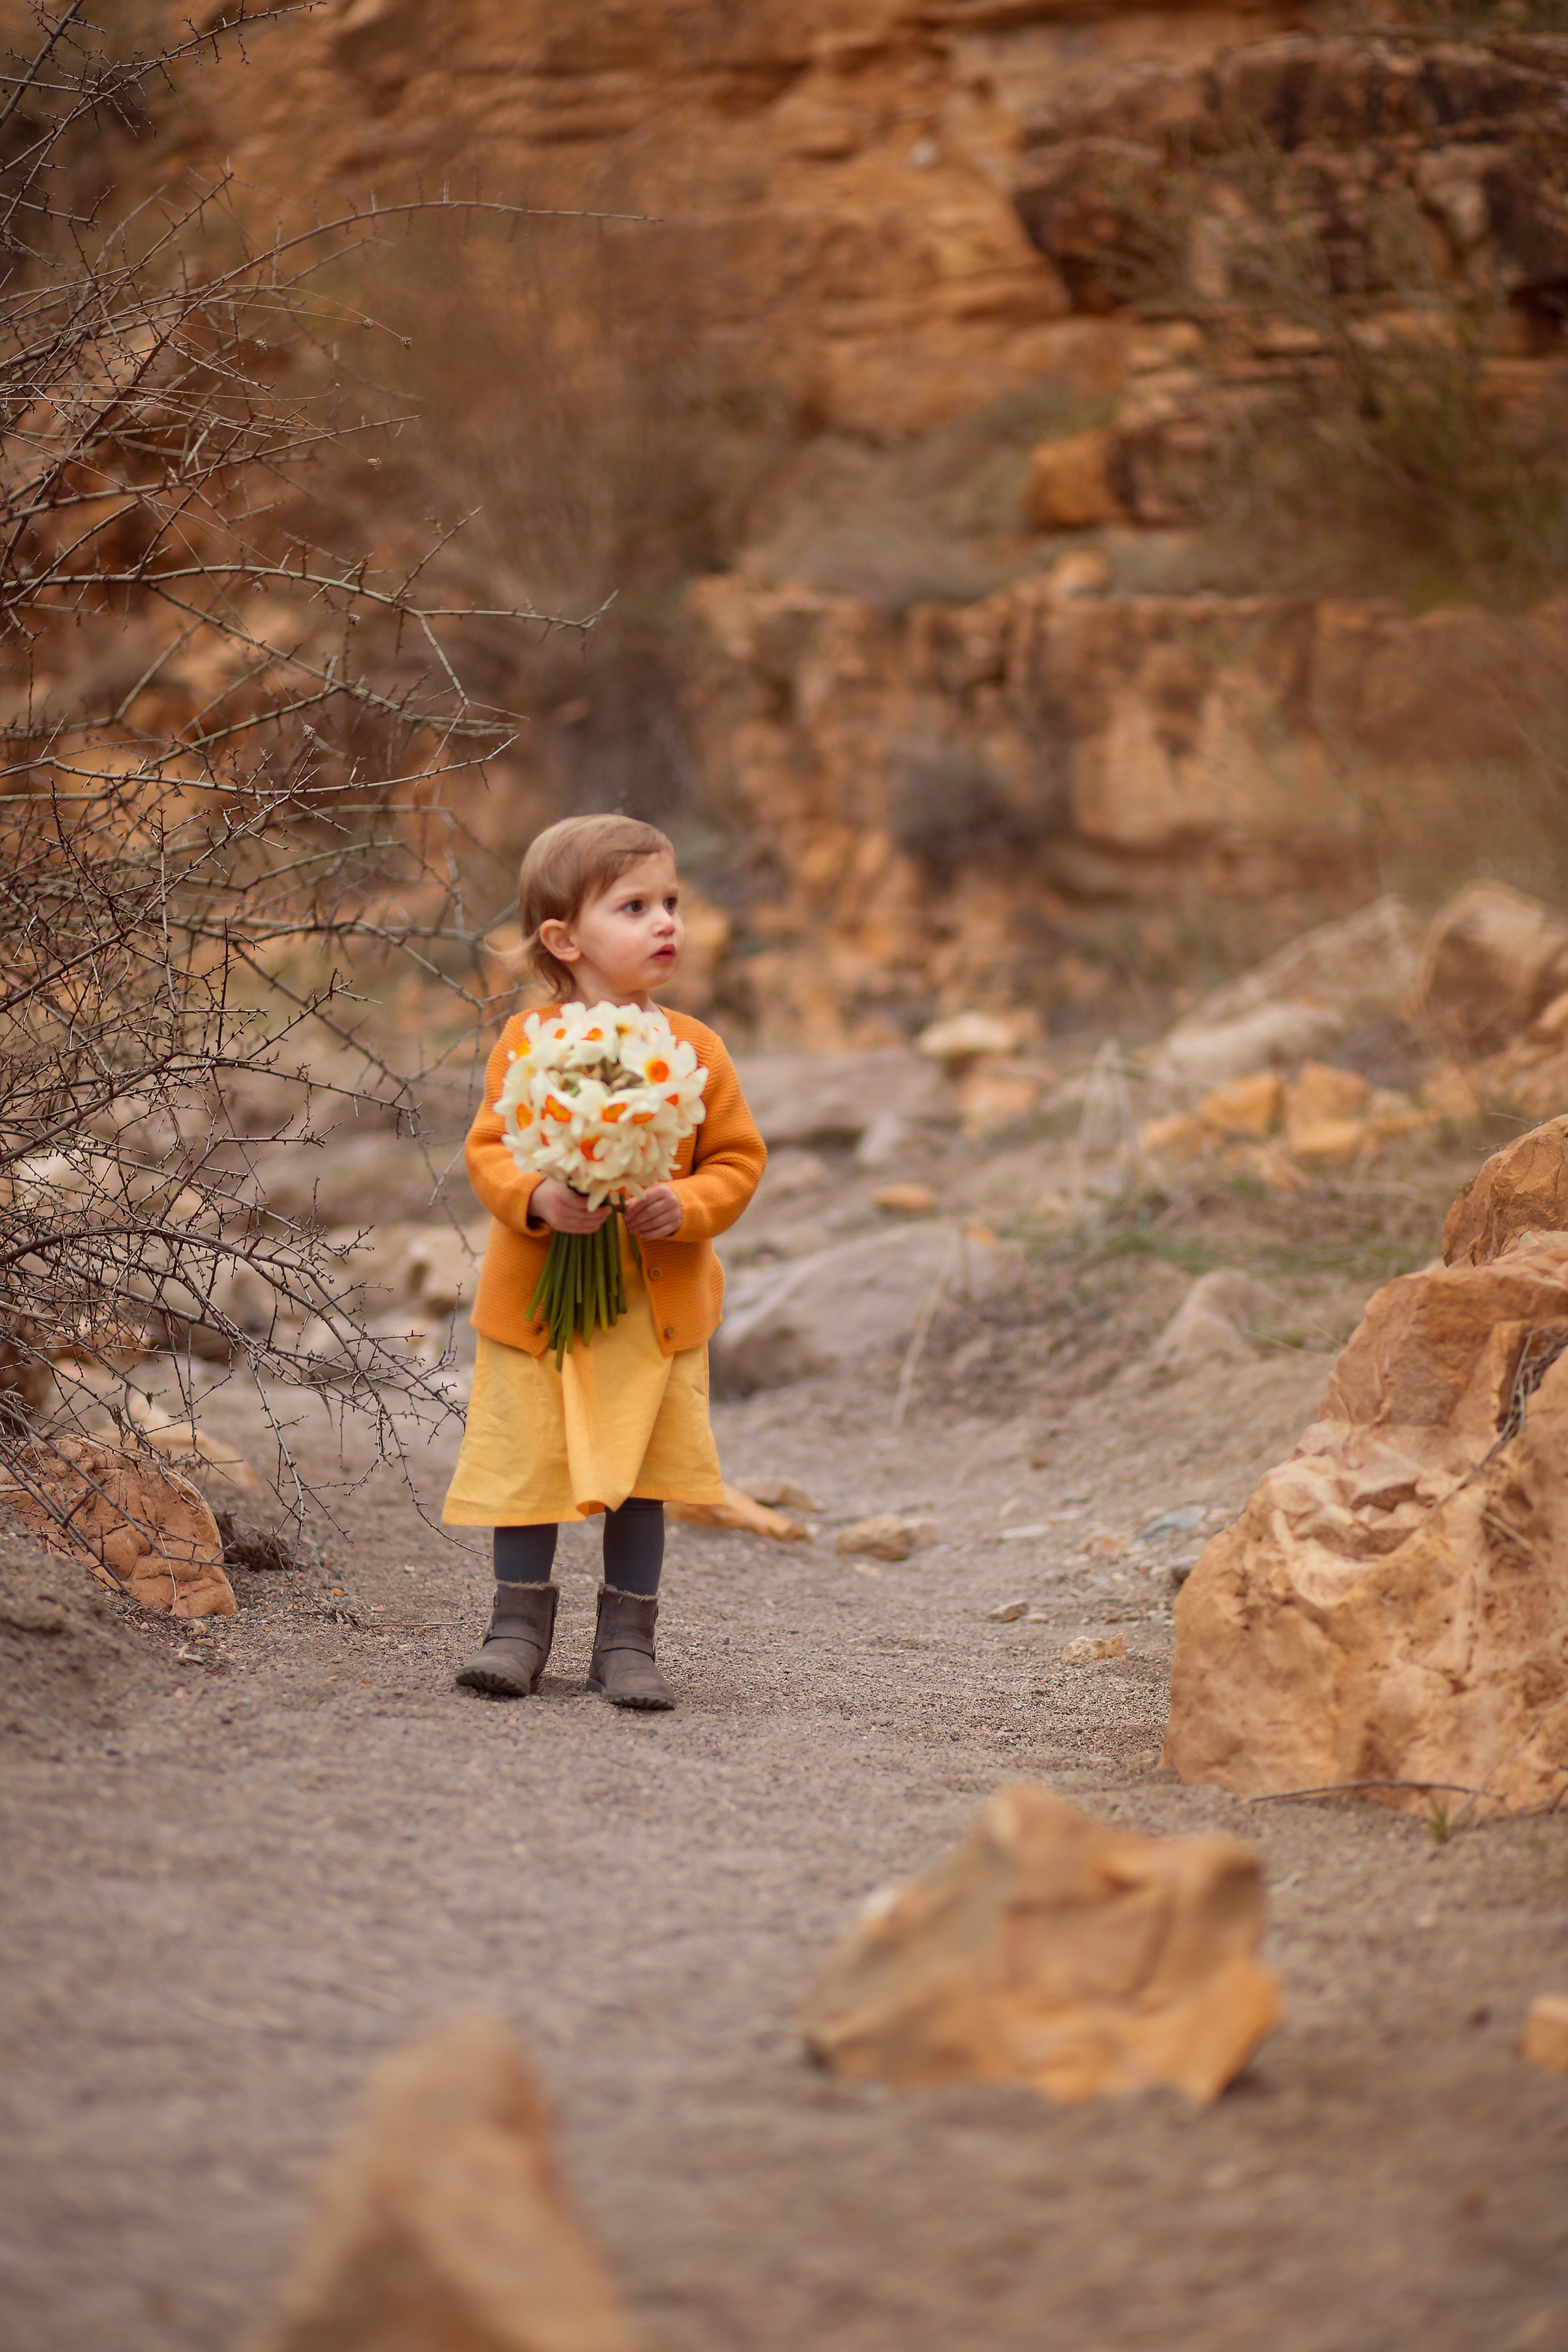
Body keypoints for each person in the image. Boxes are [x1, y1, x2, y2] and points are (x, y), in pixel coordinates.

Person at [445, 813, 765, 1710]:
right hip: (540, 1302)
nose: (666, 921)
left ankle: (627, 1642)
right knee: (528, 1462)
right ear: (563, 938)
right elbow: (490, 1149)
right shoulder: (529, 1043)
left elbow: (738, 1160)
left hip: (647, 1311)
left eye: (671, 902)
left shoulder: (694, 1051)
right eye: (634, 906)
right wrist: (539, 1200)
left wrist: (687, 1205)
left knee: (641, 1477)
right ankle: (515, 1631)